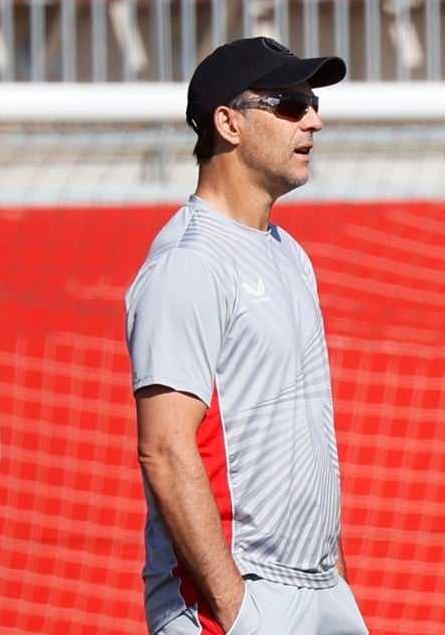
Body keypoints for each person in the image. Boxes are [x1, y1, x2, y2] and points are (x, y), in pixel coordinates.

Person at [125, 37, 368, 635]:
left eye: (310, 101)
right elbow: (165, 447)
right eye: (287, 102)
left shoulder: (290, 254)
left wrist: (332, 580)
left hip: (318, 589)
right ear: (228, 123)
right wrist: (236, 611)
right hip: (239, 597)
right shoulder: (188, 263)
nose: (313, 118)